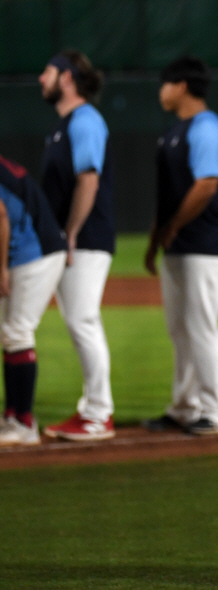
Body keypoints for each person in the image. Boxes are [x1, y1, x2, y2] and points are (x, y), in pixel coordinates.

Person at [143, 56, 218, 436]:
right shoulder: (175, 131)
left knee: (201, 327)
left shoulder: (207, 128)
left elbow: (206, 185)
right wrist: (156, 240)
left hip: (207, 243)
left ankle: (215, 411)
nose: (161, 91)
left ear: (181, 85)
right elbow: (168, 197)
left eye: (165, 83)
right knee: (180, 329)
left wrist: (173, 228)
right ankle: (184, 406)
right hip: (180, 244)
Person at [38, 49, 116, 441]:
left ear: (67, 78)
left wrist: (70, 232)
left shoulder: (84, 120)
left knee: (83, 320)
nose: (41, 78)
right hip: (72, 237)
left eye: (47, 72)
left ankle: (99, 414)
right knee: (78, 321)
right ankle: (92, 408)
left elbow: (89, 179)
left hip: (84, 237)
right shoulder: (64, 124)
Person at [0, 155, 67, 445]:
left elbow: (0, 215)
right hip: (27, 248)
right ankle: (12, 417)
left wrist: (0, 267)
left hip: (36, 252)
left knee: (17, 331)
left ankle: (24, 423)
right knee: (9, 333)